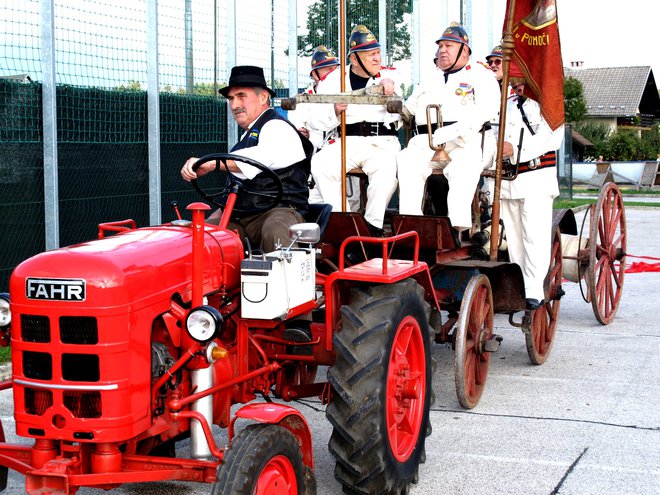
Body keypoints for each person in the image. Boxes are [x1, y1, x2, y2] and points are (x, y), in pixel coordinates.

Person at [181, 65, 313, 252]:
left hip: (280, 210)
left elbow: (260, 159)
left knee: (275, 231)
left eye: (241, 96)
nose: (234, 105)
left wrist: (212, 163)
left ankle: (285, 280)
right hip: (239, 214)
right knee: (206, 236)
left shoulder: (278, 127)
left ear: (263, 97)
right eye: (231, 98)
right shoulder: (247, 136)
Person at [397, 24, 500, 234]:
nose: (442, 50)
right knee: (407, 159)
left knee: (463, 166)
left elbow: (484, 111)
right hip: (429, 141)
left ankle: (455, 227)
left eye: (449, 45)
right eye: (441, 46)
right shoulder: (430, 77)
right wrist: (392, 110)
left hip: (469, 140)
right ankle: (412, 224)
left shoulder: (481, 75)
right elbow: (409, 108)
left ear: (465, 50)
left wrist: (450, 132)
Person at [308, 25, 401, 236]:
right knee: (321, 164)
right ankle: (347, 225)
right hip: (347, 140)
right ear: (355, 59)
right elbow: (315, 120)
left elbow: (401, 115)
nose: (377, 58)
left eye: (377, 52)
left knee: (385, 171)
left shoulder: (391, 76)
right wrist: (334, 111)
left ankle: (373, 226)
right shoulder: (333, 79)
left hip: (382, 142)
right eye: (370, 54)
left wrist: (391, 94)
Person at [496, 61, 564, 309]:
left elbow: (551, 139)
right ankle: (521, 285)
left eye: (522, 79)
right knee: (514, 240)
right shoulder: (508, 106)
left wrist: (514, 150)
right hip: (510, 182)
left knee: (534, 238)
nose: (517, 84)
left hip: (536, 180)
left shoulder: (550, 105)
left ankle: (534, 289)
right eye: (515, 79)